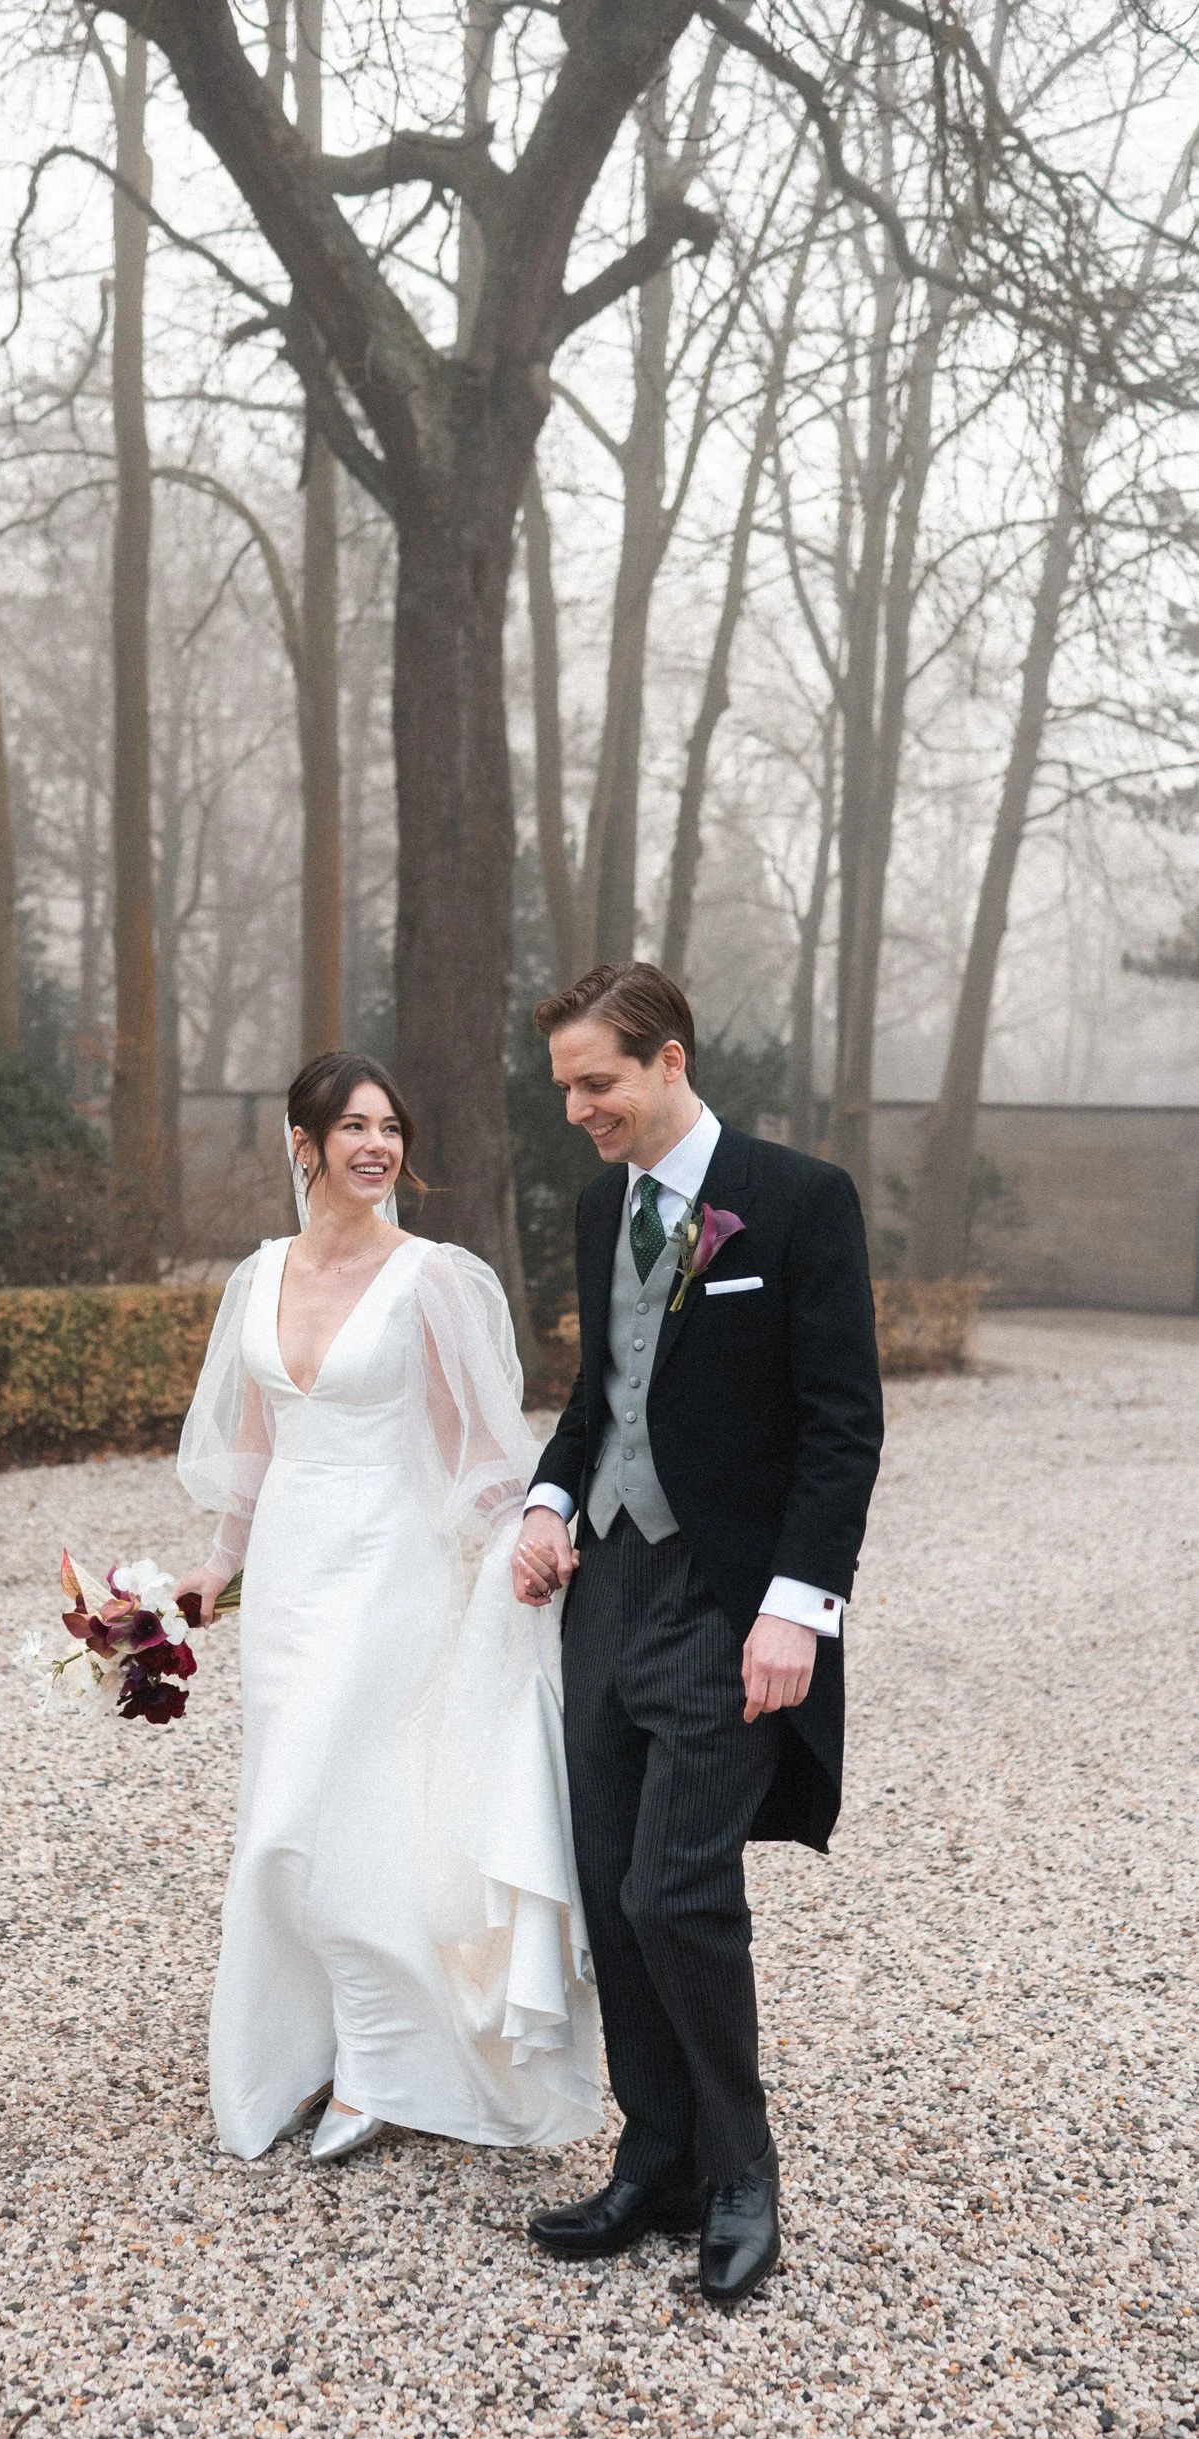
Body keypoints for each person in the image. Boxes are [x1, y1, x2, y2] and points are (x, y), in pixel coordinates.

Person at [511, 964, 883, 2305]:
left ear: (666, 1061)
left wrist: (798, 1608)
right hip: (603, 1593)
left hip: (730, 1604)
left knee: (678, 1888)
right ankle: (653, 2159)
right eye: (563, 1086)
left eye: (593, 1083)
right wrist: (549, 1500)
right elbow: (599, 1391)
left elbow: (841, 1428)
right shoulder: (598, 1203)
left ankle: (739, 2173)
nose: (575, 1110)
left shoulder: (795, 1201)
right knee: (612, 1885)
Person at [176, 1051, 600, 2165]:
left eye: (390, 1126)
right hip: (285, 1584)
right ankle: (297, 2051)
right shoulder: (259, 1274)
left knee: (319, 1814)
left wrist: (531, 1531)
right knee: (294, 1811)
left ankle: (376, 2061)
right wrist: (212, 1571)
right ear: (303, 1144)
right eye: (353, 1126)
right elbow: (257, 1449)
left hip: (387, 1573)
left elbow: (476, 1448)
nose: (377, 1145)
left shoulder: (434, 1279)